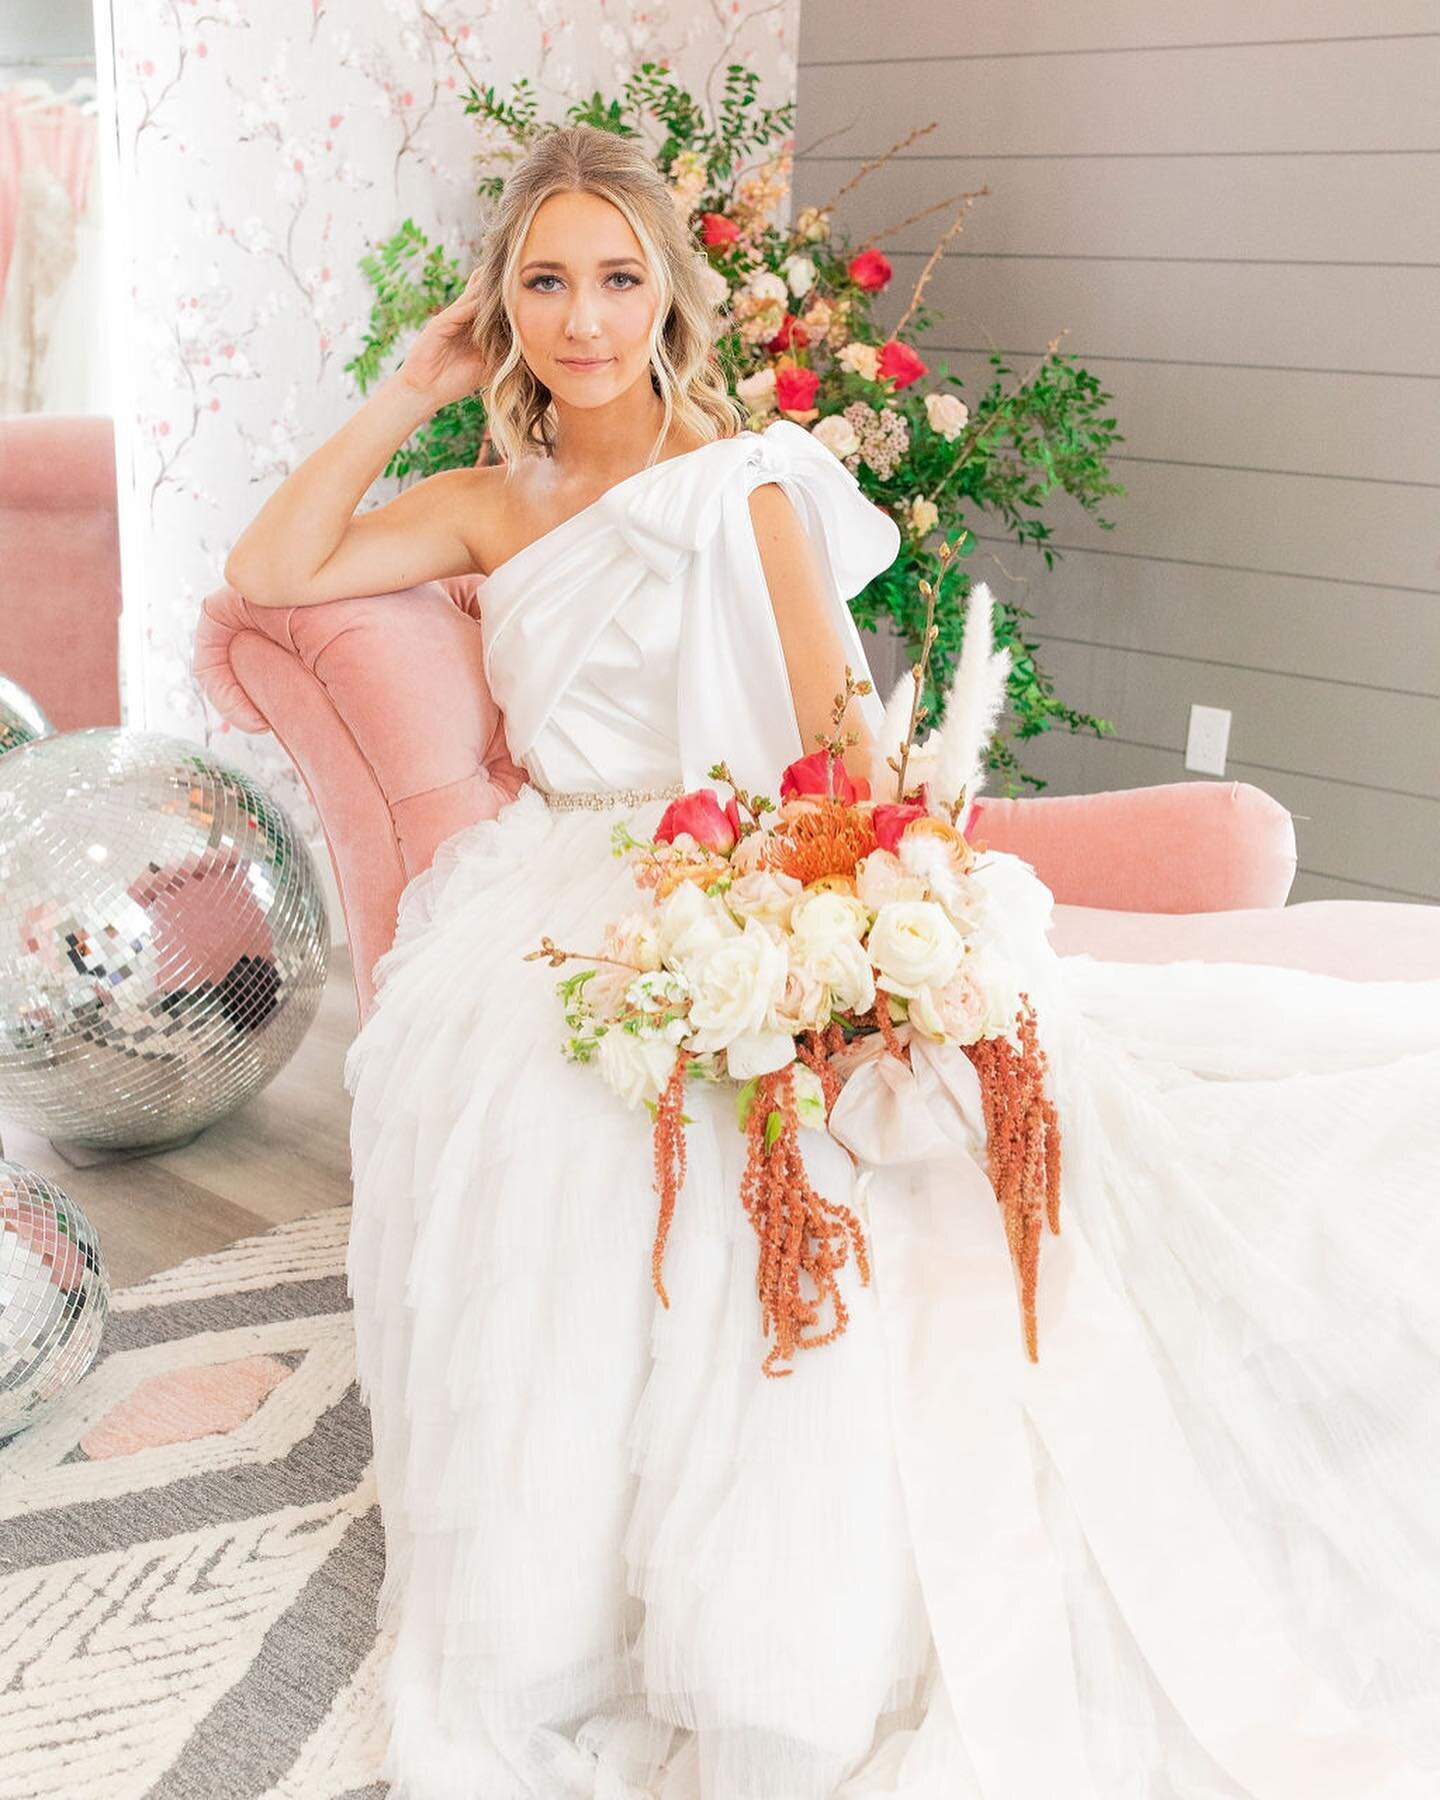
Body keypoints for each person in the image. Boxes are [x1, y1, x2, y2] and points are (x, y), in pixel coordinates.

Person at [225, 123, 1440, 1800]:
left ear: (670, 301)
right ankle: (571, 1589)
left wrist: (862, 926)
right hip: (556, 883)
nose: (584, 318)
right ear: (505, 307)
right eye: (547, 282)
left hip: (745, 854)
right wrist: (403, 387)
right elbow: (269, 570)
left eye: (619, 279)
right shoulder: (484, 504)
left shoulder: (752, 480)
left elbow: (837, 733)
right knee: (554, 1101)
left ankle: (782, 1595)